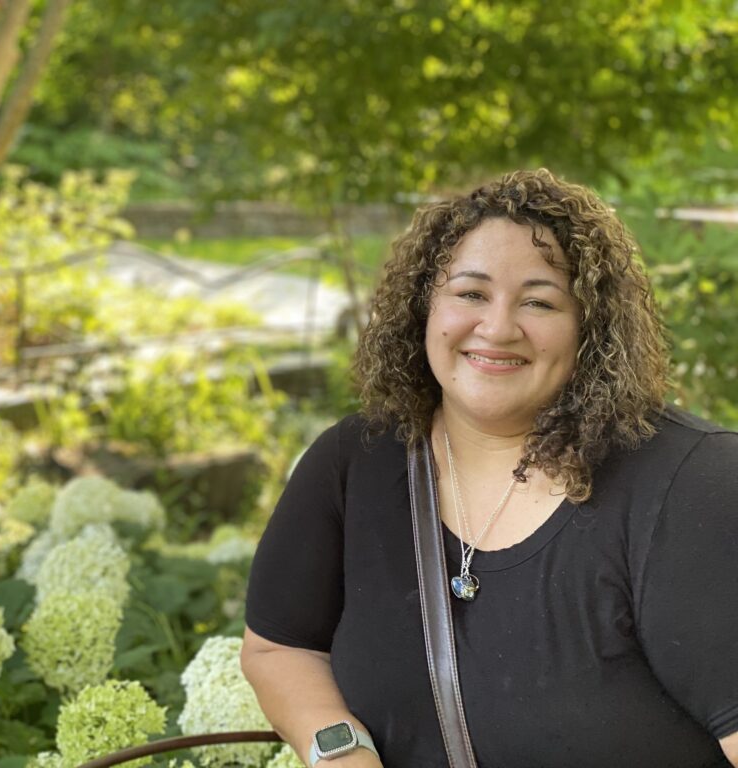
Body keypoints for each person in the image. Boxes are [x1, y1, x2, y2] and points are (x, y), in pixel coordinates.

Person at [241, 169, 738, 768]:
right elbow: (279, 648)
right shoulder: (355, 463)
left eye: (538, 301)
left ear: (591, 330)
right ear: (425, 307)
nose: (498, 328)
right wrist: (339, 748)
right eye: (471, 294)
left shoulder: (692, 484)